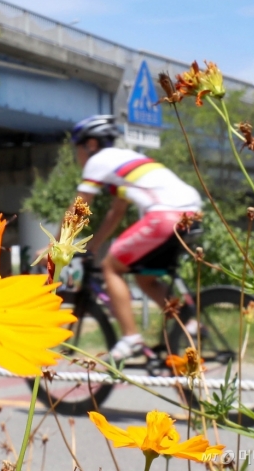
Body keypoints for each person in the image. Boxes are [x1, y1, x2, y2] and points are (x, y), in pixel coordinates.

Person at [70, 114, 202, 365]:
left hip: (164, 215)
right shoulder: (126, 160)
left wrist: (55, 246)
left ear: (91, 145)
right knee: (145, 278)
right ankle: (189, 322)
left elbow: (78, 208)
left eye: (77, 148)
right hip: (193, 212)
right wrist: (94, 245)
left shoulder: (97, 161)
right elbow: (117, 211)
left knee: (110, 267)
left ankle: (130, 338)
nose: (77, 156)